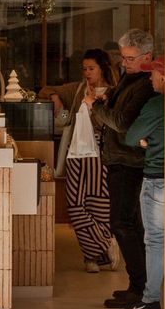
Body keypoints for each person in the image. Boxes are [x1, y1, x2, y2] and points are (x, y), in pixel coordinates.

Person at [88, 29, 157, 308]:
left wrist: (95, 107)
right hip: (120, 159)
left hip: (129, 162)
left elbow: (123, 123)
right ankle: (137, 285)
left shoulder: (146, 85)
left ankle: (141, 288)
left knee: (123, 224)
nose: (124, 64)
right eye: (123, 58)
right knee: (128, 224)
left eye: (130, 59)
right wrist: (108, 101)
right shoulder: (132, 78)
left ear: (147, 57)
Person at [49, 49, 117, 273]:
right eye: (84, 68)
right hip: (76, 152)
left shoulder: (114, 92)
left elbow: (113, 125)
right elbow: (46, 90)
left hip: (102, 153)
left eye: (91, 68)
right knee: (75, 205)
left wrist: (95, 105)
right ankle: (106, 243)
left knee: (99, 205)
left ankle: (92, 257)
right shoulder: (77, 89)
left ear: (102, 68)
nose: (87, 72)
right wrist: (56, 99)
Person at [122, 58, 165, 309]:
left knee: (155, 240)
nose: (150, 79)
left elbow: (130, 136)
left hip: (155, 179)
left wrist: (143, 141)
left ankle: (150, 299)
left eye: (154, 75)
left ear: (164, 76)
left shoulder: (156, 104)